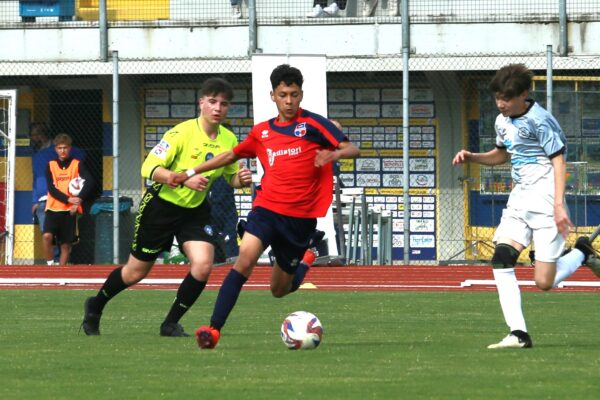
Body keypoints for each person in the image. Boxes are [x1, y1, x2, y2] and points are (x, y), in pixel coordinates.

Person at [169, 64, 360, 349]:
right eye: (283, 94)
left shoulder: (314, 125)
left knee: (279, 290)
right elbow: (228, 156)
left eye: (294, 94)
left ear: (301, 94)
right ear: (273, 96)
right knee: (243, 262)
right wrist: (191, 171)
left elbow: (352, 148)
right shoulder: (262, 132)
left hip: (299, 219)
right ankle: (213, 329)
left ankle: (306, 260)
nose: (289, 101)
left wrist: (331, 156)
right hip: (266, 210)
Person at [80, 78, 252, 337]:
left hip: (194, 211)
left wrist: (241, 179)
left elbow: (230, 177)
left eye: (224, 104)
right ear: (201, 103)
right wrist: (182, 177)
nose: (218, 108)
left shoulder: (228, 139)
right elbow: (148, 168)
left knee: (203, 264)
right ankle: (96, 304)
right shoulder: (180, 133)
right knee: (136, 272)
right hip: (161, 207)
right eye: (213, 102)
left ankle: (170, 323)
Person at [452, 64, 600, 349]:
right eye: (497, 98)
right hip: (519, 198)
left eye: (506, 98)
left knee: (544, 282)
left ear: (524, 94)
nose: (501, 103)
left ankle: (581, 252)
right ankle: (518, 334)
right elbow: (502, 155)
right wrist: (472, 156)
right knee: (501, 259)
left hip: (545, 200)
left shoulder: (541, 121)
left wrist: (559, 205)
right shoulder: (501, 121)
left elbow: (558, 161)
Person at [43, 133, 94, 266]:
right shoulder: (51, 165)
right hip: (53, 208)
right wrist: (68, 199)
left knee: (65, 245)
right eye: (59, 148)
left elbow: (89, 181)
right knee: (47, 236)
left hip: (69, 210)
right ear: (55, 149)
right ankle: (50, 265)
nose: (62, 150)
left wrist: (78, 200)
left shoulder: (77, 164)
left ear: (70, 148)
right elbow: (52, 189)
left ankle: (60, 272)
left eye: (65, 147)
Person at [31, 123, 85, 242]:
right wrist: (35, 200)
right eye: (32, 135)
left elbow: (81, 155)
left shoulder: (56, 149)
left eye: (35, 134)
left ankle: (61, 260)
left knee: (64, 235)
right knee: (48, 235)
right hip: (42, 201)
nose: (33, 138)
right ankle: (54, 260)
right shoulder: (35, 154)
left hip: (61, 198)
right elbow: (36, 178)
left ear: (42, 134)